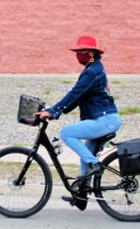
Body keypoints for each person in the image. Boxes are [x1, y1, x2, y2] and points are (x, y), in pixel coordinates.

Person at [34, 35, 122, 209]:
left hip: (105, 120)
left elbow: (74, 94)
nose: (78, 55)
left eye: (82, 52)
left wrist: (53, 112)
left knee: (67, 133)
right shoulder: (93, 69)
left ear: (91, 53)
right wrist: (53, 112)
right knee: (85, 157)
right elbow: (76, 99)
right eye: (77, 52)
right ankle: (81, 197)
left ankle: (95, 165)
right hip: (106, 119)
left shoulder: (92, 72)